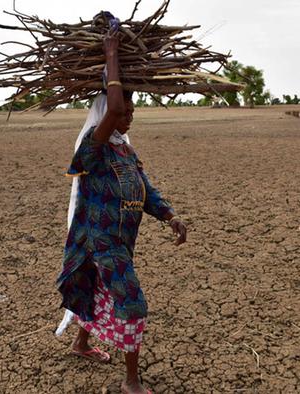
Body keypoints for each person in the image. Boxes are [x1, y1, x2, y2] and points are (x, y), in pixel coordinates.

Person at [55, 30, 187, 394]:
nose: (128, 116)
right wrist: (111, 54)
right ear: (105, 117)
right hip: (100, 244)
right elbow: (112, 108)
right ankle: (131, 382)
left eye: (132, 111)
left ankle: (81, 343)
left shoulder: (125, 152)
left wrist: (170, 216)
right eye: (123, 112)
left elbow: (145, 190)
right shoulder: (91, 150)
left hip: (121, 242)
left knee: (96, 289)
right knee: (132, 303)